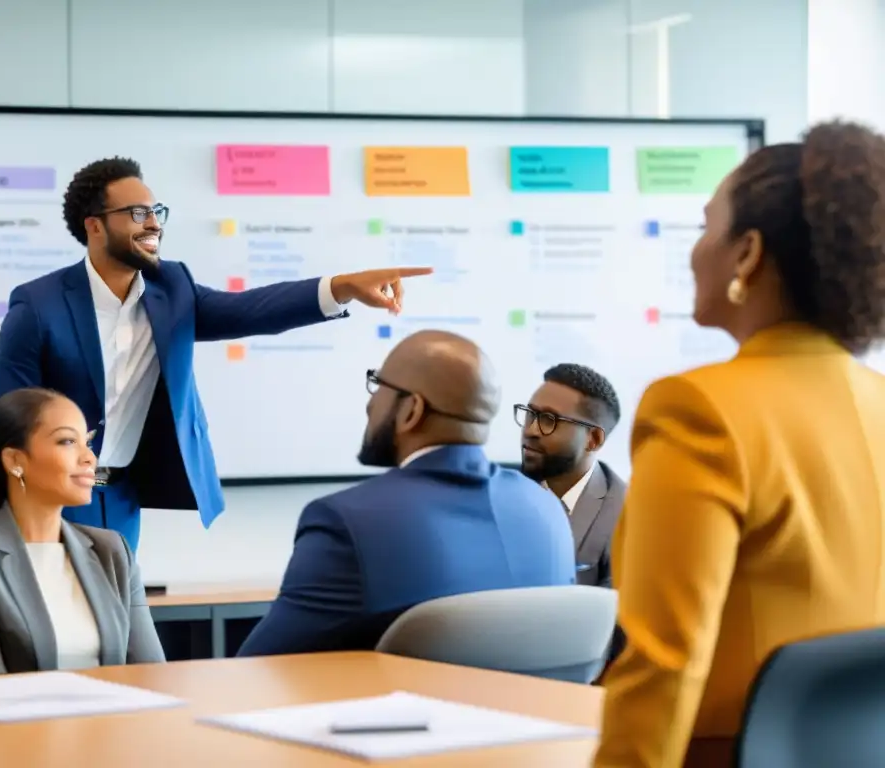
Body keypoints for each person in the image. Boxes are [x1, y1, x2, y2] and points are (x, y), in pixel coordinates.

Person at [594, 120, 885, 767]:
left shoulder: (699, 408)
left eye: (706, 227)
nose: (696, 250)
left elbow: (666, 660)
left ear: (747, 254)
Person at [0, 157, 431, 551]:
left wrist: (343, 286)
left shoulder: (171, 289)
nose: (154, 223)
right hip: (51, 493)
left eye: (157, 212)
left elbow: (252, 310)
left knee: (115, 625)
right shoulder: (39, 306)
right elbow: (7, 417)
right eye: (137, 213)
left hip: (120, 496)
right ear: (94, 225)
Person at [237, 330, 576, 657]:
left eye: (378, 385)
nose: (370, 404)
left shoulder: (348, 522)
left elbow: (261, 667)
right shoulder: (545, 507)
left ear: (411, 410)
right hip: (532, 714)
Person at [0, 388, 165, 678]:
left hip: (115, 721)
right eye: (67, 441)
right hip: (21, 723)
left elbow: (151, 675)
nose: (89, 458)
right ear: (15, 460)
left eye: (87, 442)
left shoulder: (112, 550)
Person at [517, 363, 624, 588]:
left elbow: (615, 619)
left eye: (549, 419)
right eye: (530, 414)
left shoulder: (626, 516)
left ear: (593, 439)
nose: (530, 430)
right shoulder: (503, 489)